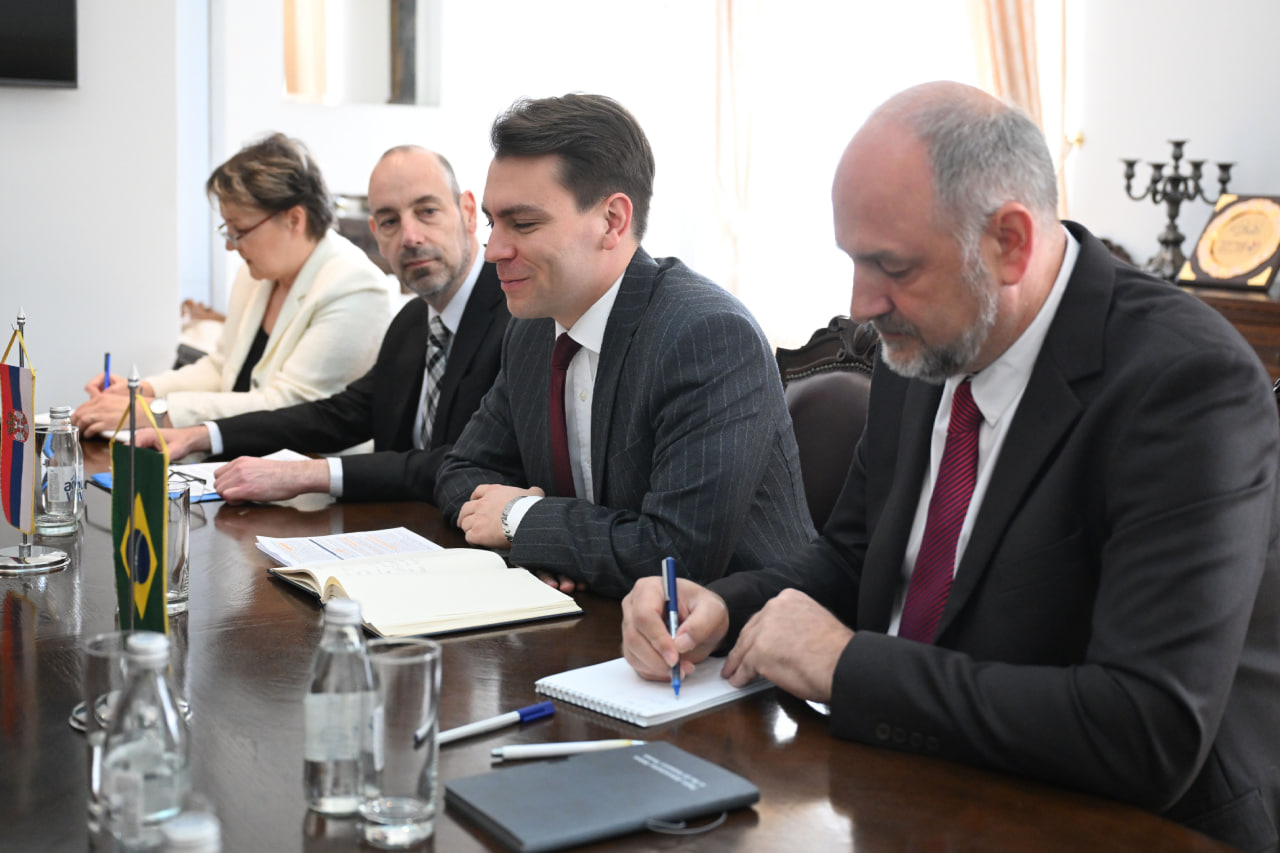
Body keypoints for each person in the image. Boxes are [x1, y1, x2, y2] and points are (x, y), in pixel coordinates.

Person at [621, 81, 1280, 852]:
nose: (862, 304)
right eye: (853, 260)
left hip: (1114, 823)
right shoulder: (927, 339)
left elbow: (1144, 728)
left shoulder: (1186, 384)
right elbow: (855, 557)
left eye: (891, 266)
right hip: (903, 786)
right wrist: (724, 606)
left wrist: (848, 665)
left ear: (1010, 242)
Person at [434, 94, 814, 598]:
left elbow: (675, 557)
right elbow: (460, 469)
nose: (493, 251)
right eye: (492, 223)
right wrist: (541, 542)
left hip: (733, 633)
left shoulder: (707, 336)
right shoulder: (532, 331)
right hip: (595, 617)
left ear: (612, 220)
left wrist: (521, 520)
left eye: (523, 224)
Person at [137, 146, 508, 503]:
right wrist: (204, 435)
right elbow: (338, 416)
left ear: (468, 212)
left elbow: (466, 460)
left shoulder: (516, 318)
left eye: (427, 211)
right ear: (377, 234)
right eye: (390, 222)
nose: (410, 237)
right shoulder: (412, 322)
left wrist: (308, 474)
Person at [73, 132, 390, 437]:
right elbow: (222, 368)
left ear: (294, 219)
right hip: (240, 454)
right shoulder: (257, 275)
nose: (230, 246)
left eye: (239, 231)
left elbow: (289, 404)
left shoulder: (353, 286)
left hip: (306, 464)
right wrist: (143, 391)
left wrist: (155, 412)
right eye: (228, 231)